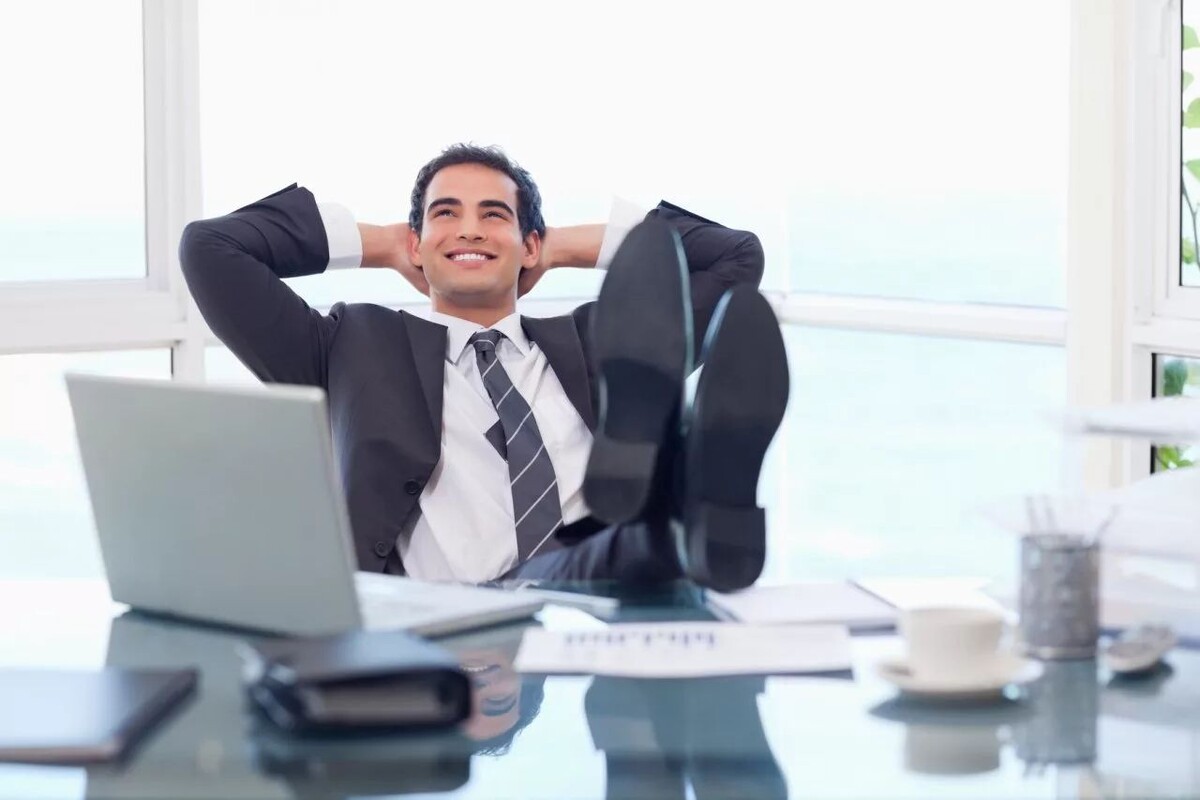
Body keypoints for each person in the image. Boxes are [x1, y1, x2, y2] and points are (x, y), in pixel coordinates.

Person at [179, 144, 788, 591]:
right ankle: (690, 504)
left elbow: (736, 258)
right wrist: (384, 243)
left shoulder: (604, 341)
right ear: (416, 243)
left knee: (620, 544)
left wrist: (560, 246)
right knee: (641, 544)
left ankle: (679, 498)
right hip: (443, 621)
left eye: (495, 215)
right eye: (445, 214)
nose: (469, 229)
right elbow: (211, 249)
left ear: (529, 245)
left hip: (586, 604)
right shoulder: (346, 347)